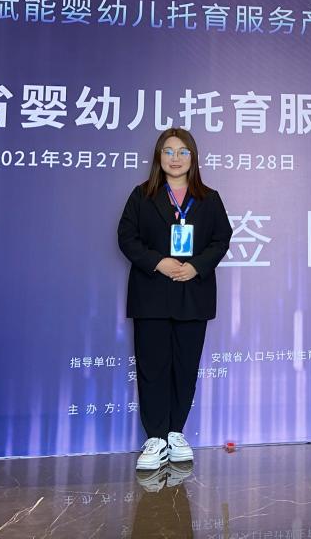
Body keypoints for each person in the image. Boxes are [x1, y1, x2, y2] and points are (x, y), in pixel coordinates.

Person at [117, 127, 233, 470]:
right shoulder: (142, 195)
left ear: (193, 157)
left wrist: (196, 266)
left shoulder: (209, 198)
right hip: (151, 292)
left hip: (192, 293)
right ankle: (155, 438)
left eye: (183, 151)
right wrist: (158, 262)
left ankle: (175, 434)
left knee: (185, 367)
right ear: (158, 157)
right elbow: (126, 237)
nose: (176, 158)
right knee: (152, 367)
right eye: (168, 151)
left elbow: (221, 239)